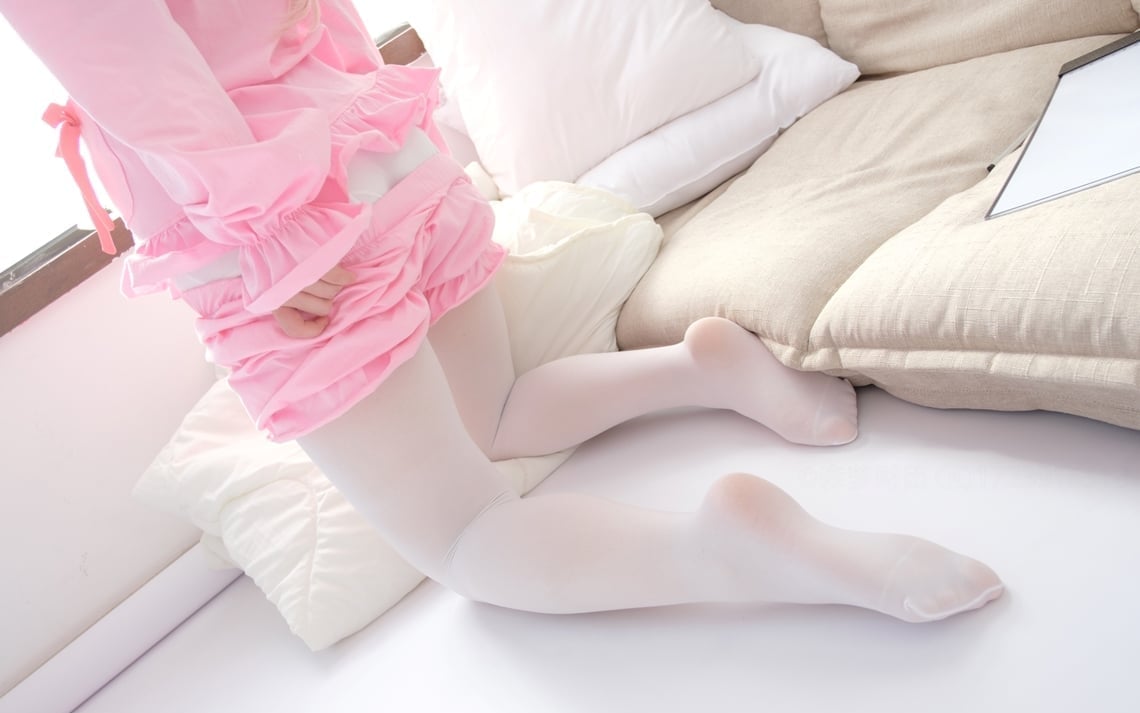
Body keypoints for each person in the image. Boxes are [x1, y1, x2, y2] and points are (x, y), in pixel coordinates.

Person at [4, 0, 1003, 622]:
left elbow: (132, 67)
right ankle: (703, 369)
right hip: (382, 146)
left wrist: (263, 232)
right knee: (494, 410)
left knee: (466, 540)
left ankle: (722, 552)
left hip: (283, 224)